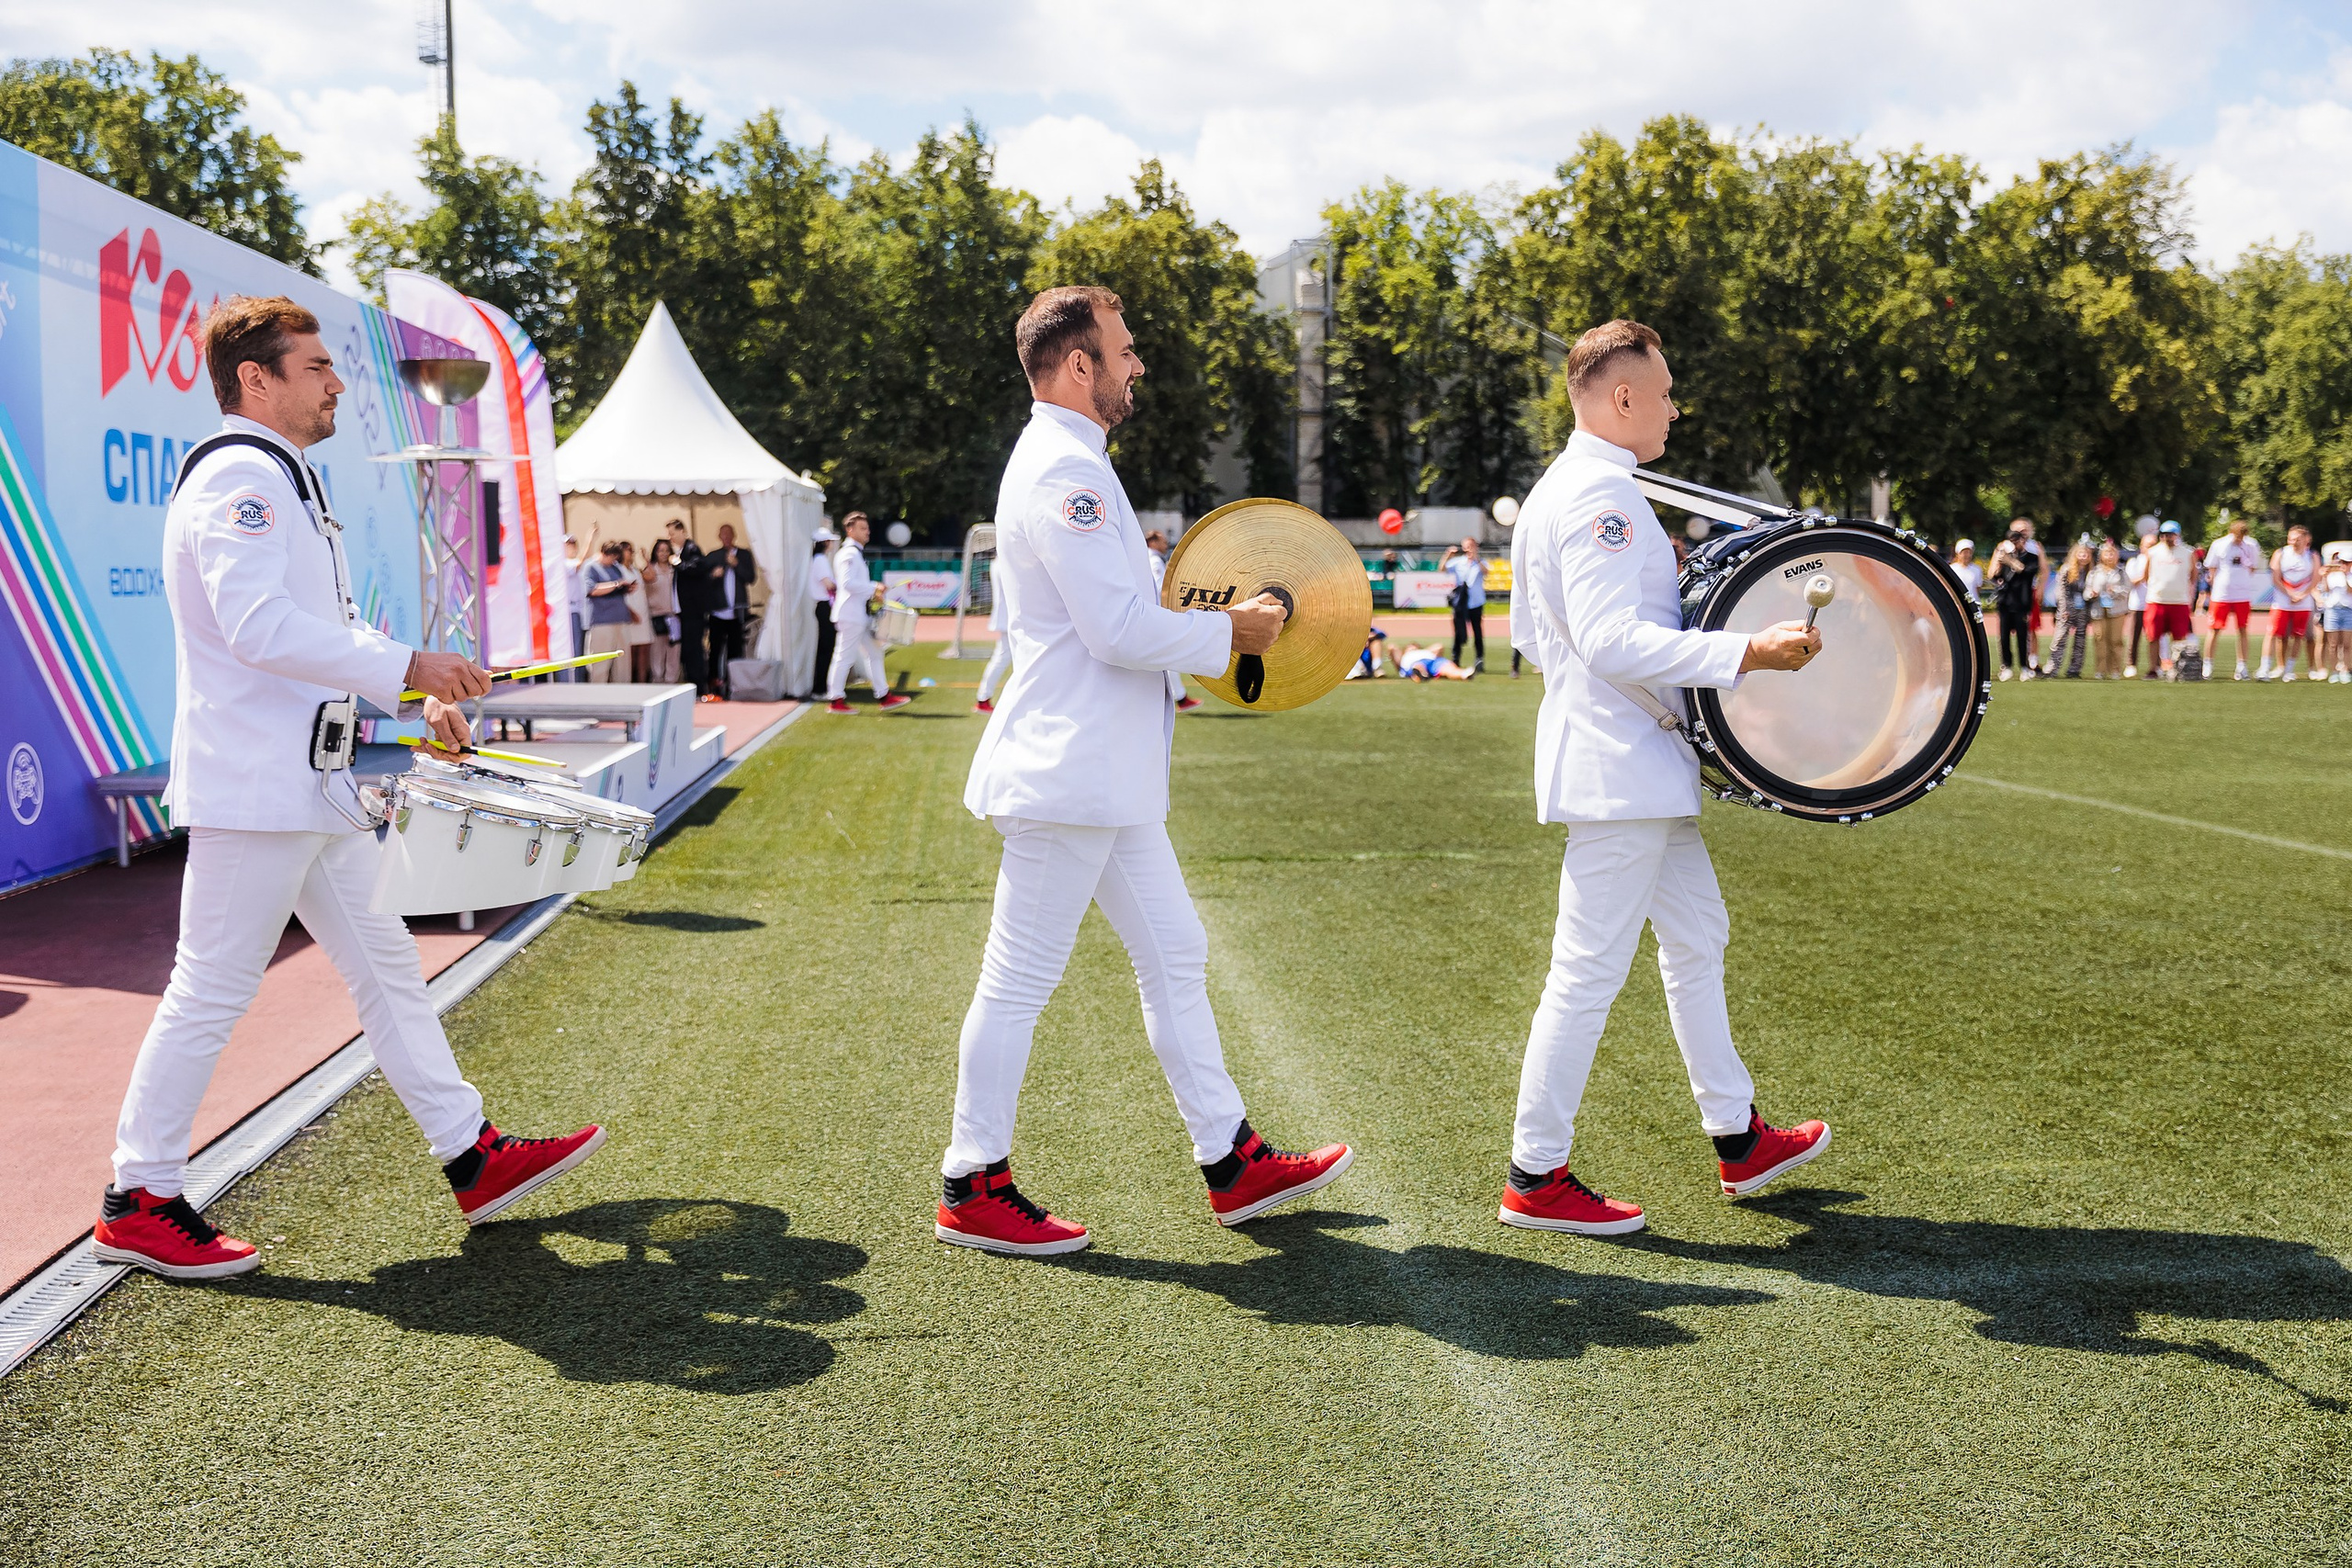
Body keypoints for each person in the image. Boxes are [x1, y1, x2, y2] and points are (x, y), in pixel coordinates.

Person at [93, 296, 604, 1282]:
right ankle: (138, 1196)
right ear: (258, 379)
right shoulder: (242, 476)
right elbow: (258, 630)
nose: (335, 383)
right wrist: (409, 663)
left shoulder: (279, 476)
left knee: (388, 969)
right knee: (211, 987)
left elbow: (307, 643)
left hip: (312, 781)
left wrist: (406, 702)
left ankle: (471, 1154)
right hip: (260, 786)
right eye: (316, 366)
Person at [941, 284, 1350, 1257]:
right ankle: (971, 1181)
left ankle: (1231, 1160)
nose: (1135, 367)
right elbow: (1118, 630)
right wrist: (1234, 630)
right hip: (1070, 775)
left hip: (1100, 778)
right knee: (1018, 983)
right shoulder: (1064, 475)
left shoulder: (1071, 463)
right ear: (1077, 365)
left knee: (1175, 956)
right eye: (1123, 352)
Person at [1501, 318, 1827, 1237]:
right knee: (1585, 972)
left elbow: (1539, 638)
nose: (1675, 408)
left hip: (1630, 761)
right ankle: (1534, 1174)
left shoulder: (1563, 491)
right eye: (1665, 390)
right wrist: (1745, 653)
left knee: (1696, 936)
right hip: (1620, 771)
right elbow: (1605, 639)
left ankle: (1736, 1135)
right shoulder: (1600, 501)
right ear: (1621, 398)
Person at [823, 513, 907, 713]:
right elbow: (847, 584)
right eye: (862, 528)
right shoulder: (848, 554)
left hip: (858, 614)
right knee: (844, 657)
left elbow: (852, 585)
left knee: (874, 653)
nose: (867, 531)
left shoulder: (854, 553)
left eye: (867, 528)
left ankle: (884, 695)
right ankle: (836, 699)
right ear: (849, 530)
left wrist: (872, 592)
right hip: (850, 615)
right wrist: (874, 587)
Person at [1142, 529, 1200, 711]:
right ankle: (1180, 698)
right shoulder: (1153, 561)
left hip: (1155, 615)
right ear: (1152, 542)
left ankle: (1180, 698)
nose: (1165, 544)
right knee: (1167, 658)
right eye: (1162, 541)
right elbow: (1160, 587)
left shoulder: (1150, 558)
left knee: (1165, 658)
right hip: (1159, 614)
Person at [2200, 514, 2264, 679]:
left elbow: (2253, 567)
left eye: (2242, 536)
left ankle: (2241, 667)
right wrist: (2216, 585)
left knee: (2242, 629)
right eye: (2237, 536)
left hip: (2242, 594)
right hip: (2222, 594)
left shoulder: (2251, 544)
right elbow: (2212, 567)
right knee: (2214, 629)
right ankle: (2207, 665)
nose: (2239, 539)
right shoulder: (2220, 544)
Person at [701, 523, 757, 700]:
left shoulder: (744, 555)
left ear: (734, 536)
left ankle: (734, 683)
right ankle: (714, 684)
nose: (726, 538)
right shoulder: (713, 556)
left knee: (736, 649)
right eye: (723, 535)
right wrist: (712, 575)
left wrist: (737, 565)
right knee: (715, 649)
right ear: (719, 537)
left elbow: (751, 578)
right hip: (718, 612)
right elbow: (702, 579)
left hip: (738, 611)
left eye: (728, 535)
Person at [2261, 524, 2320, 681]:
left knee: (2299, 636)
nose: (2294, 542)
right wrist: (2290, 594)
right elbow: (2275, 578)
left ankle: (2289, 669)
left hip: (2303, 603)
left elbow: (2315, 578)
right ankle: (2265, 668)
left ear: (2306, 539)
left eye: (2297, 539)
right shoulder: (2280, 553)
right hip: (2282, 602)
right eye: (2291, 539)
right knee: (2273, 633)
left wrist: (2302, 595)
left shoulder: (2312, 556)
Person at [2141, 520, 2198, 679]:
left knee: (2179, 638)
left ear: (2177, 534)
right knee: (2153, 636)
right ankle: (2153, 668)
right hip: (2156, 601)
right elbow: (2146, 575)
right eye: (2165, 534)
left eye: (2171, 534)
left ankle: (2177, 668)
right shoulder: (2153, 552)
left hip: (2179, 602)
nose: (2168, 537)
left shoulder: (2187, 553)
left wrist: (2189, 596)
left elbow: (2193, 576)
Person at [666, 519, 708, 694]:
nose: (670, 538)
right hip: (685, 610)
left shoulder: (692, 549)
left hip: (693, 609)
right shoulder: (683, 551)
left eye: (673, 533)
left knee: (694, 649)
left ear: (682, 531)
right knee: (688, 649)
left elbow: (698, 568)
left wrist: (678, 563)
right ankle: (693, 684)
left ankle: (698, 686)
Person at [582, 539, 633, 682]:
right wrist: (615, 585)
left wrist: (626, 588)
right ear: (604, 553)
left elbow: (618, 586)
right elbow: (592, 590)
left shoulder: (615, 568)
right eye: (612, 557)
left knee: (623, 663)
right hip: (601, 621)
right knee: (600, 663)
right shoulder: (591, 567)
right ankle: (598, 697)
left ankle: (623, 696)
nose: (613, 560)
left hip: (620, 619)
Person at [1990, 538, 2036, 681]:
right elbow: (1992, 575)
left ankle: (2024, 666)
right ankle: (2006, 666)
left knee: (2022, 637)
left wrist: (2009, 560)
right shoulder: (2003, 557)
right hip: (2005, 603)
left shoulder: (2031, 557)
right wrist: (1998, 557)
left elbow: (2025, 570)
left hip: (2022, 603)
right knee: (2004, 637)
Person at [2086, 538, 2131, 679]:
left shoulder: (2121, 572)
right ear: (2101, 555)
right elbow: (2086, 590)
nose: (2110, 556)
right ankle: (2100, 670)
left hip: (2117, 610)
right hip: (2098, 610)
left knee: (2116, 640)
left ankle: (2115, 670)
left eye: (2112, 554)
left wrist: (2114, 591)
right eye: (2107, 553)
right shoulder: (2094, 572)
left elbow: (2127, 590)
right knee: (2100, 639)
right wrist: (2091, 594)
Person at [2047, 540, 2093, 678]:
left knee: (2080, 640)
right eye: (2081, 554)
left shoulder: (2090, 571)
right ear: (2075, 554)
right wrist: (2064, 609)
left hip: (2083, 609)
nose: (2084, 557)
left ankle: (2074, 670)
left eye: (2087, 555)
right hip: (2067, 609)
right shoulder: (2067, 569)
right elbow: (2061, 591)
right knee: (2060, 639)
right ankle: (2052, 669)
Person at [1442, 536, 1487, 671]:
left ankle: (1479, 659)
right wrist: (1447, 555)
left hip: (1475, 602)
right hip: (1460, 603)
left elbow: (1486, 572)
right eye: (1467, 546)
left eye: (1472, 546)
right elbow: (1442, 569)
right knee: (1458, 632)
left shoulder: (1481, 562)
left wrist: (1476, 559)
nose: (1469, 549)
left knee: (1477, 632)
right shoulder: (1457, 562)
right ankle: (1455, 659)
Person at [2009, 519, 2047, 672]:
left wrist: (2041, 589)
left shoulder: (2035, 546)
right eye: (2019, 529)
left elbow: (2044, 569)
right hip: (2011, 593)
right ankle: (2009, 662)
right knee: (2008, 628)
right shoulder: (2005, 546)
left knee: (2031, 627)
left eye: (2025, 529)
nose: (2022, 532)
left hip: (2028, 591)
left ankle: (2033, 659)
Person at [560, 523, 597, 678]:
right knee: (571, 651)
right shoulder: (563, 563)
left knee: (579, 650)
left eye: (573, 543)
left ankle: (577, 680)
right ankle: (568, 681)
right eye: (568, 544)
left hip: (580, 611)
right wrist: (590, 537)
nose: (571, 546)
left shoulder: (575, 563)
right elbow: (582, 560)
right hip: (569, 611)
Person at [643, 537, 683, 683]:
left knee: (674, 651)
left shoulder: (675, 570)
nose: (664, 553)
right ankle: (657, 680)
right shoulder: (650, 570)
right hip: (657, 615)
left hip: (674, 616)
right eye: (661, 550)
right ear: (656, 552)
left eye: (667, 550)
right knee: (657, 652)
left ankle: (671, 681)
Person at [2123, 524, 2158, 676]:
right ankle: (2131, 664)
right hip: (2137, 604)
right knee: (2134, 637)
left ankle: (2156, 665)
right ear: (2141, 546)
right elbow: (2130, 581)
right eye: (2147, 545)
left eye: (2153, 545)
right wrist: (2144, 576)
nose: (2150, 548)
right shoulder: (2134, 562)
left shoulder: (2160, 561)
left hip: (2155, 603)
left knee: (2155, 637)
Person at [808, 527, 838, 701]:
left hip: (824, 605)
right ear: (825, 543)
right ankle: (820, 688)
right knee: (826, 647)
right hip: (825, 605)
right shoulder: (820, 560)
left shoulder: (819, 559)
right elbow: (828, 584)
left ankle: (822, 686)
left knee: (826, 646)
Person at [2317, 547, 2352, 683]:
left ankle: (2346, 670)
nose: (2343, 565)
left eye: (2346, 562)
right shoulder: (2332, 574)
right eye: (2342, 562)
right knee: (2333, 644)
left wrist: (2345, 575)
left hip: (2348, 610)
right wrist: (2324, 576)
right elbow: (2325, 590)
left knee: (2347, 644)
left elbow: (2350, 591)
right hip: (2332, 610)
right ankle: (2334, 671)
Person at [620, 539, 653, 682]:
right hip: (630, 614)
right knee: (631, 651)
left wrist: (646, 559)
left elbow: (651, 576)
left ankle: (643, 682)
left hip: (643, 612)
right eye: (628, 550)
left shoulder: (635, 569)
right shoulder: (618, 570)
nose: (630, 553)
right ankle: (632, 682)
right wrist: (630, 613)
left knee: (644, 649)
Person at [1396, 642, 1474, 680]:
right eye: (1409, 647)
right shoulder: (1405, 657)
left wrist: (1423, 650)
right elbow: (1392, 648)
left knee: (1448, 667)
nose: (1412, 648)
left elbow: (1439, 646)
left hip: (1434, 661)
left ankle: (1463, 674)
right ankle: (1421, 674)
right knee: (1419, 666)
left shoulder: (1425, 652)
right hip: (1416, 663)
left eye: (1414, 647)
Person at [1949, 538, 1984, 603]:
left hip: (1973, 604)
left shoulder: (1977, 569)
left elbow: (1978, 588)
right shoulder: (1952, 569)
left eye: (1969, 552)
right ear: (1958, 554)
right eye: (1964, 552)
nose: (1967, 555)